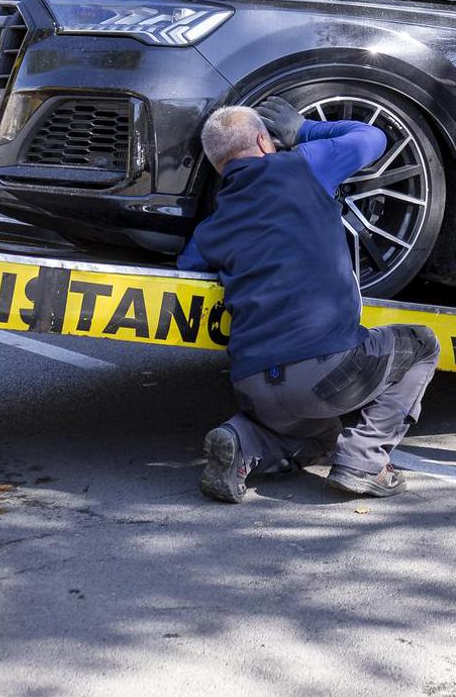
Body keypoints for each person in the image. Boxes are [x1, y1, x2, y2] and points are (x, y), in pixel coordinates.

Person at [178, 100, 441, 501]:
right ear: (265, 140)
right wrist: (303, 131)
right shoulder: (304, 164)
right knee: (422, 344)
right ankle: (365, 461)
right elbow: (373, 137)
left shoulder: (212, 227)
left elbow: (188, 267)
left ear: (218, 165)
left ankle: (242, 441)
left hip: (253, 387)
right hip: (326, 372)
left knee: (322, 438)